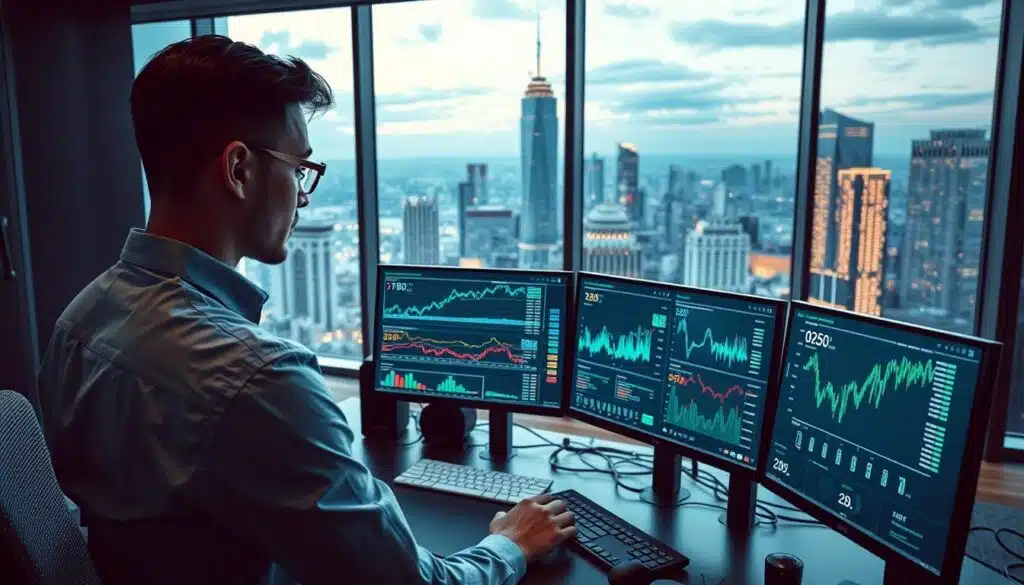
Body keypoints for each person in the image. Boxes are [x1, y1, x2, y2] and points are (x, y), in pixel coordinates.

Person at [36, 34, 575, 585]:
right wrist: (510, 545)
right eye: (299, 168)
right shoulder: (257, 378)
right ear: (238, 169)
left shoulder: (80, 321)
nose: (303, 194)